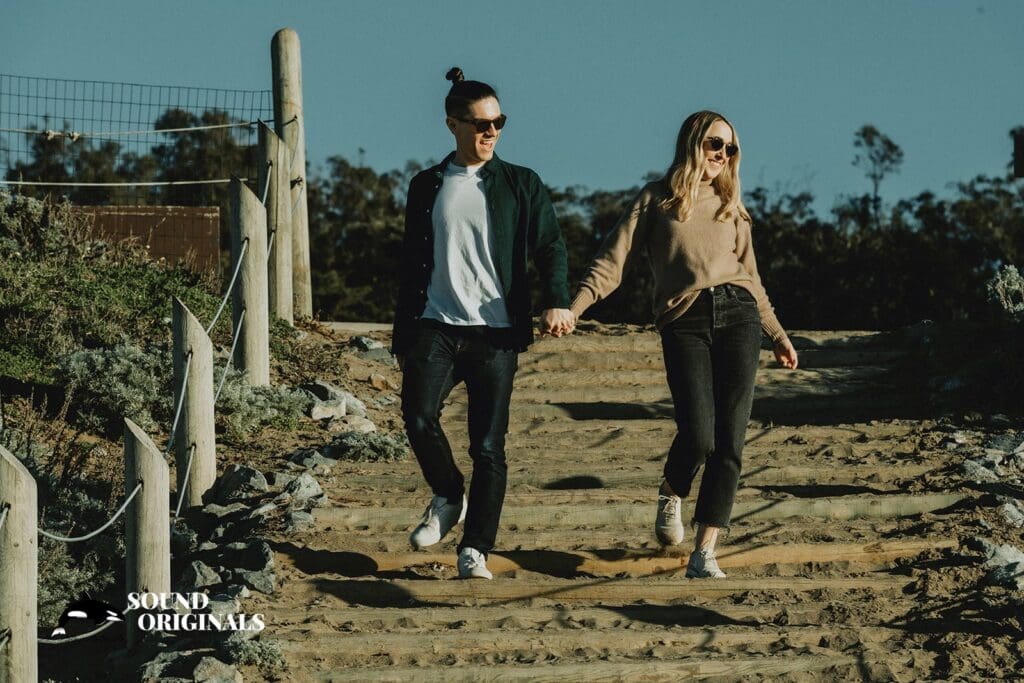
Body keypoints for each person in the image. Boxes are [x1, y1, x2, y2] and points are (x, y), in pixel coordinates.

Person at [569, 110, 798, 578]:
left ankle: (704, 551)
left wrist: (777, 334)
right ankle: (672, 490)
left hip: (740, 315)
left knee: (730, 442)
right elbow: (612, 262)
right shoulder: (656, 199)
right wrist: (574, 308)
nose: (723, 154)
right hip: (685, 319)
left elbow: (752, 278)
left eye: (731, 148)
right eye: (716, 143)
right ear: (693, 140)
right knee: (699, 433)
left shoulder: (733, 205)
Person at [392, 67, 575, 580]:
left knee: (488, 446)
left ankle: (475, 549)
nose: (491, 133)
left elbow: (551, 246)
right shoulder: (426, 185)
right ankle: (449, 494)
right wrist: (402, 331)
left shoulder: (521, 183)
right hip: (437, 324)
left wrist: (557, 300)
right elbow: (412, 262)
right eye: (480, 124)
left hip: (495, 333)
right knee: (418, 417)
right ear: (452, 125)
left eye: (499, 123)